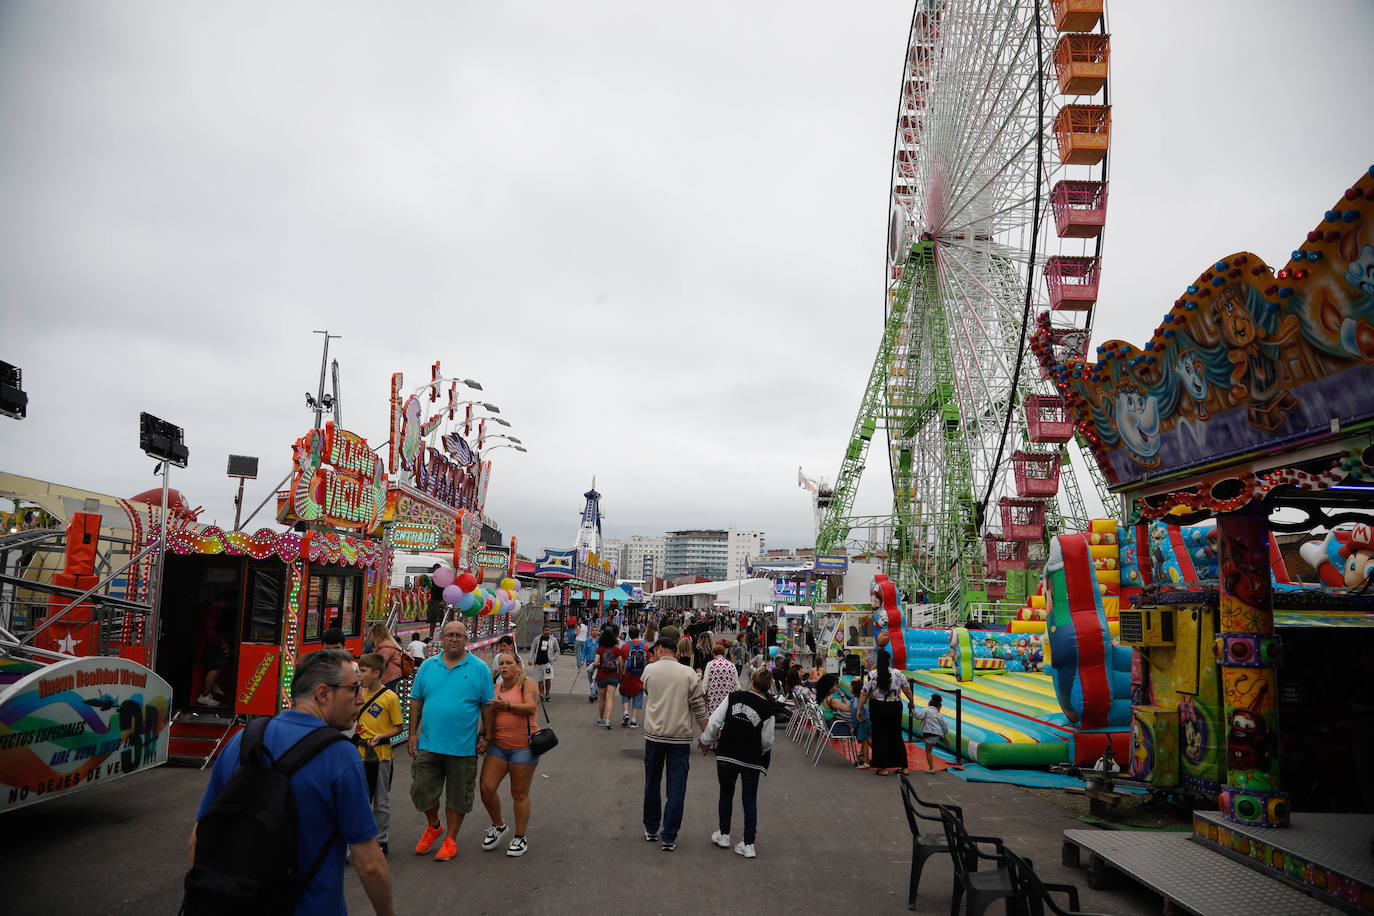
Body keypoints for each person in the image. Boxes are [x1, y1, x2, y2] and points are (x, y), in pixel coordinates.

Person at [189, 648, 394, 915]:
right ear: (323, 694)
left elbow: (198, 840)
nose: (361, 698)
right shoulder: (341, 757)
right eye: (354, 689)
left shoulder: (243, 741)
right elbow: (370, 864)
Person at [408, 620, 495, 862]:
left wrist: (487, 736)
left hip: (463, 747)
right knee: (421, 791)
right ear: (442, 639)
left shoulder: (479, 669)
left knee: (458, 797)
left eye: (458, 635)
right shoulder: (427, 666)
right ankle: (434, 825)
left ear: (466, 639)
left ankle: (450, 839)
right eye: (449, 635)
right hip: (428, 744)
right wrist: (412, 733)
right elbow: (416, 700)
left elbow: (488, 707)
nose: (454, 639)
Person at [640, 635, 710, 851]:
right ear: (676, 652)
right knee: (676, 788)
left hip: (654, 736)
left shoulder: (649, 670)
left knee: (652, 783)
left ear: (660, 649)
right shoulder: (689, 674)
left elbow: (646, 691)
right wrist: (705, 737)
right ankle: (669, 836)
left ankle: (651, 828)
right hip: (680, 738)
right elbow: (699, 707)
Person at [700, 666, 775, 859]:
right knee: (749, 800)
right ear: (768, 687)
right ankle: (748, 843)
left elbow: (715, 721)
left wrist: (705, 741)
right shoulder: (768, 708)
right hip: (751, 758)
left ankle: (724, 834)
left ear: (751, 682)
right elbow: (767, 740)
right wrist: (761, 751)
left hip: (727, 753)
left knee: (726, 793)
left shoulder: (734, 697)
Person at [478, 651, 540, 857]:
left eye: (508, 663)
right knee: (486, 788)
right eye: (501, 663)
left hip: (524, 748)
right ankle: (499, 825)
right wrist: (484, 738)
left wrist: (507, 706)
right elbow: (489, 717)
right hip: (499, 747)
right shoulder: (495, 688)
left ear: (518, 666)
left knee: (519, 793)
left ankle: (520, 837)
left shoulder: (527, 684)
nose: (504, 666)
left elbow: (531, 707)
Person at [355, 653, 404, 855]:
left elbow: (398, 727)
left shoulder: (390, 697)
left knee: (381, 801)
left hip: (381, 755)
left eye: (363, 671)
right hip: (358, 754)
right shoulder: (357, 694)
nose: (359, 675)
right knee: (359, 799)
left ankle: (381, 840)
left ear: (376, 673)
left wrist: (380, 736)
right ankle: (358, 839)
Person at [858, 648, 915, 776]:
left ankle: (883, 768)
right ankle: (904, 766)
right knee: (896, 735)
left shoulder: (872, 675)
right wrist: (911, 702)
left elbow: (864, 692)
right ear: (889, 661)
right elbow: (906, 689)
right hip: (895, 706)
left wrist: (860, 708)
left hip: (878, 707)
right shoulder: (898, 674)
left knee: (880, 736)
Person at [196, 595, 233, 707]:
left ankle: (211, 687)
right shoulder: (214, 612)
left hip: (202, 644)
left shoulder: (206, 607)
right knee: (215, 667)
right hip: (208, 645)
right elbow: (209, 631)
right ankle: (205, 695)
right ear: (225, 602)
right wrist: (221, 642)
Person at [594, 627, 626, 729]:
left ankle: (600, 719)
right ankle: (608, 720)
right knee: (610, 698)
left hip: (601, 676)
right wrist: (620, 675)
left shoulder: (600, 649)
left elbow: (595, 662)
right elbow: (621, 663)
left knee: (601, 699)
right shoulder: (616, 650)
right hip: (613, 676)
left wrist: (597, 665)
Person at [909, 692, 949, 769]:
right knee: (932, 744)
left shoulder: (926, 710)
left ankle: (931, 768)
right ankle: (940, 737)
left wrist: (913, 710)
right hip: (937, 733)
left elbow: (918, 716)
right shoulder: (939, 714)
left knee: (928, 751)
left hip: (929, 733)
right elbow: (945, 726)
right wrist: (944, 734)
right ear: (939, 706)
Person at [619, 625, 648, 728]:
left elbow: (621, 662)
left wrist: (621, 675)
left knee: (625, 694)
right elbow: (649, 660)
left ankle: (626, 712)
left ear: (629, 635)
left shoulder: (625, 646)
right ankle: (634, 721)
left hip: (628, 674)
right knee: (638, 697)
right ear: (639, 634)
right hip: (639, 676)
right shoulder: (644, 646)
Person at [814, 673, 854, 740]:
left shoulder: (823, 698)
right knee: (863, 731)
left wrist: (840, 694)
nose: (836, 687)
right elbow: (848, 708)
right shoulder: (831, 700)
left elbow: (844, 706)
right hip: (835, 729)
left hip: (829, 727)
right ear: (830, 687)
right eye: (835, 685)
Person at [702, 644, 738, 714]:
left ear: (713, 653)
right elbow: (737, 685)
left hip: (713, 699)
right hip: (728, 699)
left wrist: (702, 694)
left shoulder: (710, 664)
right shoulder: (731, 665)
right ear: (724, 654)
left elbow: (705, 684)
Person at [370, 623, 406, 692]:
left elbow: (380, 663)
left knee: (387, 696)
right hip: (396, 675)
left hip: (390, 677)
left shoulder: (384, 646)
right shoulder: (391, 643)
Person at [528, 623, 559, 700]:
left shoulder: (553, 640)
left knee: (548, 678)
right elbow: (532, 649)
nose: (547, 632)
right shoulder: (537, 639)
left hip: (547, 663)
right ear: (542, 630)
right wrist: (530, 659)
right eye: (545, 630)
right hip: (538, 663)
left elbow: (557, 650)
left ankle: (547, 693)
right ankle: (541, 694)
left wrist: (554, 658)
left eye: (548, 630)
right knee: (540, 679)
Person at [849, 676, 872, 768]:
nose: (849, 688)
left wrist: (853, 726)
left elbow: (855, 717)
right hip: (866, 721)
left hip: (862, 723)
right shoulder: (861, 700)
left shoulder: (856, 704)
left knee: (865, 742)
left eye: (850, 686)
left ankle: (866, 762)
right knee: (868, 741)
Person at [578, 627, 598, 702]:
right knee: (590, 680)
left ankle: (592, 695)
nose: (594, 632)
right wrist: (582, 660)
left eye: (596, 630)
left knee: (595, 679)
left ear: (598, 631)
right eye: (593, 630)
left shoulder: (600, 642)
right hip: (588, 663)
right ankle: (595, 694)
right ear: (591, 632)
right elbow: (584, 652)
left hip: (597, 664)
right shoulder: (587, 641)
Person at [427, 564, 445, 638]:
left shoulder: (444, 579)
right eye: (434, 570)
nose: (435, 571)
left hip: (440, 601)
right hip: (433, 600)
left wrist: (444, 600)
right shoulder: (433, 579)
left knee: (441, 620)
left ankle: (442, 636)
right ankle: (430, 636)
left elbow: (446, 591)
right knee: (432, 620)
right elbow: (431, 589)